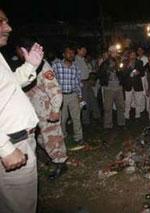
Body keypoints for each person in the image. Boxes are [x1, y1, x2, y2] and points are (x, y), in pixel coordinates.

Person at [0, 8, 44, 212]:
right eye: (1, 22)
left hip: (19, 141)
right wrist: (5, 148)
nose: (8, 27)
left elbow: (8, 86)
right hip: (12, 145)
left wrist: (30, 66)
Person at [16, 38, 68, 181]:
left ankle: (60, 163)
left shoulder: (42, 66)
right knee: (40, 139)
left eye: (18, 51)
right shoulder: (26, 67)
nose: (17, 54)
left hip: (47, 110)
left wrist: (56, 109)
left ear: (24, 50)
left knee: (53, 138)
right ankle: (53, 158)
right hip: (34, 111)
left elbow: (54, 88)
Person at [53, 45, 84, 144]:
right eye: (68, 52)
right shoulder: (56, 65)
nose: (71, 55)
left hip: (73, 95)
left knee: (76, 117)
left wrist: (79, 95)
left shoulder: (75, 68)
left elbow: (77, 82)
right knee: (62, 119)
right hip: (60, 96)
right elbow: (51, 81)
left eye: (72, 53)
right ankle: (63, 136)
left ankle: (78, 137)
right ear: (63, 54)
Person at [97, 45, 125, 129]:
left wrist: (120, 69)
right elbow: (100, 74)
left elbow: (123, 73)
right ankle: (108, 125)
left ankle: (121, 123)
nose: (115, 53)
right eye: (113, 52)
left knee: (120, 106)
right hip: (108, 88)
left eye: (115, 51)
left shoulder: (120, 61)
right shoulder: (104, 63)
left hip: (118, 87)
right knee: (108, 107)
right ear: (109, 53)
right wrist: (108, 70)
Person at [123, 50, 145, 120]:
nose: (132, 56)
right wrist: (127, 67)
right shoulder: (125, 63)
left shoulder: (140, 62)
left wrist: (139, 72)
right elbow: (123, 74)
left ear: (136, 56)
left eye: (134, 55)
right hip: (128, 85)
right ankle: (126, 114)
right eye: (131, 55)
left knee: (138, 101)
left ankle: (137, 114)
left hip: (137, 84)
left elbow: (143, 73)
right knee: (127, 101)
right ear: (129, 56)